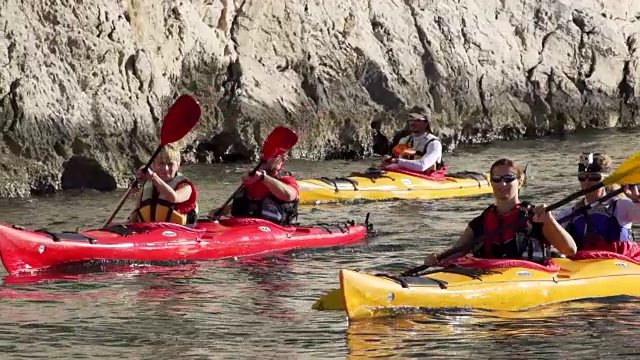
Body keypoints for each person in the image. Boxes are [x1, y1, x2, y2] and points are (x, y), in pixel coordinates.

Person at [423, 158, 577, 266]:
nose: (502, 184)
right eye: (496, 179)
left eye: (509, 179)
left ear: (520, 181)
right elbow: (457, 250)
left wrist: (550, 221)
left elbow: (570, 250)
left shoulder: (536, 217)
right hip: (489, 276)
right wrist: (437, 259)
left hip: (530, 278)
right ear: (491, 183)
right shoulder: (481, 221)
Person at [557, 153, 640, 257]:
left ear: (606, 179)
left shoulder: (621, 207)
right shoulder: (569, 214)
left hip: (617, 266)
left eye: (594, 177)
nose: (587, 182)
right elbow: (551, 238)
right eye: (582, 177)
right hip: (583, 266)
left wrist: (637, 201)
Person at [209, 154, 300, 226]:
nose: (266, 157)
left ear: (282, 159)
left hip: (276, 229)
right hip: (245, 226)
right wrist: (221, 211)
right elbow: (249, 204)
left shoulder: (286, 179)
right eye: (264, 153)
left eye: (274, 156)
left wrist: (263, 177)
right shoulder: (252, 180)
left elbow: (289, 195)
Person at [129, 144, 199, 225]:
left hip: (180, 232)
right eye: (161, 163)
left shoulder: (186, 187)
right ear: (153, 165)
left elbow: (173, 198)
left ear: (178, 164)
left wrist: (153, 177)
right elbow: (136, 213)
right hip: (148, 231)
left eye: (170, 164)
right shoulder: (147, 187)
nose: (165, 168)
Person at [382, 106, 444, 173]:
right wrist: (388, 162)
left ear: (426, 123)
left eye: (417, 120)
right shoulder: (404, 140)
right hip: (406, 177)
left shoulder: (434, 144)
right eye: (411, 119)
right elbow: (398, 163)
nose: (412, 123)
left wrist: (396, 161)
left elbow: (422, 166)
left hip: (429, 180)